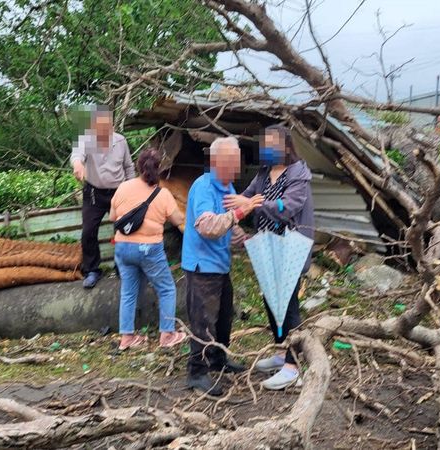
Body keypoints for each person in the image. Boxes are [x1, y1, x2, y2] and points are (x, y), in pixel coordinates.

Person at [224, 125, 314, 391]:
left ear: (286, 146)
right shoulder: (264, 173)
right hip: (268, 246)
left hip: (291, 246)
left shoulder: (298, 174)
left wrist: (252, 205)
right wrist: (239, 200)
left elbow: (289, 207)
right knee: (270, 301)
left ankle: (293, 366)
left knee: (288, 304)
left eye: (273, 144)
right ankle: (281, 350)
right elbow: (247, 196)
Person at [181, 137, 264, 396]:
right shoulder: (204, 187)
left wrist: (248, 241)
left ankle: (218, 359)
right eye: (231, 160)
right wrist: (241, 212)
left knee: (224, 316)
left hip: (219, 264)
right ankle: (197, 372)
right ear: (216, 161)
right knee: (203, 321)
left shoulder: (227, 188)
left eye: (237, 160)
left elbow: (231, 228)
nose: (236, 165)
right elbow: (208, 227)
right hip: (202, 266)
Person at [110, 148, 186, 350]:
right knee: (167, 289)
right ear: (159, 168)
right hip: (148, 248)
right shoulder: (163, 194)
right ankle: (167, 335)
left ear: (138, 166)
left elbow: (112, 217)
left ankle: (127, 338)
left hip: (123, 247)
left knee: (128, 292)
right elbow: (178, 220)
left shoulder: (124, 187)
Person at [71, 107, 135, 289]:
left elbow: (129, 167)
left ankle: (122, 266)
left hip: (119, 191)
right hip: (94, 192)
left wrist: (132, 188)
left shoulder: (120, 141)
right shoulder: (85, 140)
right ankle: (92, 270)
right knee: (89, 231)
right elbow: (77, 155)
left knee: (124, 229)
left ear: (112, 126)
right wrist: (78, 165)